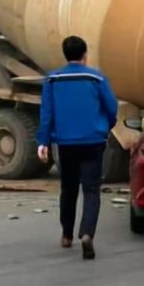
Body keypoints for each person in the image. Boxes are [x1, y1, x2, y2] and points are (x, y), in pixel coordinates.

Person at [36, 36, 118, 260]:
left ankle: (66, 235)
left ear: (65, 54)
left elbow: (47, 114)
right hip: (93, 141)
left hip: (65, 143)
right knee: (91, 190)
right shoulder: (96, 77)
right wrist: (105, 127)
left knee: (68, 189)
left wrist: (43, 141)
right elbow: (111, 107)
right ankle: (87, 234)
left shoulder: (52, 80)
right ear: (85, 54)